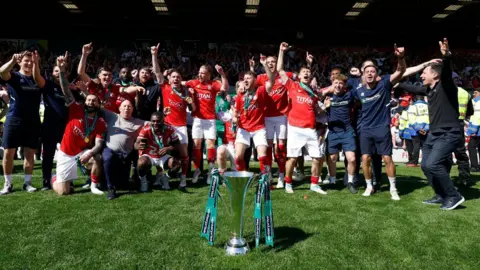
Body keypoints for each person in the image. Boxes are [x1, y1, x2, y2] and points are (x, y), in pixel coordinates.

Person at [396, 38, 465, 210]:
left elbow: (447, 72)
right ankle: (440, 194)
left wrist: (447, 56)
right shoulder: (428, 89)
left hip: (449, 133)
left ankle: (453, 196)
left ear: (435, 74)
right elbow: (405, 84)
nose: (421, 75)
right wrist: (395, 79)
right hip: (434, 134)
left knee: (433, 164)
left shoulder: (446, 85)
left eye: (424, 73)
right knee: (426, 165)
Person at [354, 44, 406, 200]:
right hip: (365, 129)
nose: (370, 73)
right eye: (367, 71)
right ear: (363, 75)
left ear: (376, 74)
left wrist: (400, 58)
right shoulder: (358, 91)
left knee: (387, 158)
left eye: (372, 71)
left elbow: (400, 71)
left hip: (382, 128)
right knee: (365, 159)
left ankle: (393, 188)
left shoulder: (383, 84)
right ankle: (369, 186)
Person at [278, 42, 328, 195]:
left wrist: (325, 106)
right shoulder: (292, 86)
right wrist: (281, 51)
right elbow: (279, 70)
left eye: (308, 72)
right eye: (303, 72)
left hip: (310, 129)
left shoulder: (312, 93)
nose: (306, 74)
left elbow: (317, 110)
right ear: (298, 76)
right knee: (292, 159)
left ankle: (314, 184)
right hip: (295, 128)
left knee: (317, 158)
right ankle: (287, 183)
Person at [53, 53, 106, 195]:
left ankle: (94, 186)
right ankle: (55, 178)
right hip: (66, 153)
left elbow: (99, 144)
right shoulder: (76, 109)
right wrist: (62, 71)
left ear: (98, 104)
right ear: (84, 101)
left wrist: (89, 153)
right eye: (88, 100)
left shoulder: (100, 122)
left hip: (81, 153)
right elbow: (66, 90)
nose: (90, 102)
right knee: (64, 191)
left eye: (94, 100)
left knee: (97, 157)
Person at [0, 51, 44, 194]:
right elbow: (2, 72)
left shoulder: (37, 79)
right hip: (14, 119)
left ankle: (27, 182)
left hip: (32, 121)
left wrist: (37, 64)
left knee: (30, 153)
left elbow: (42, 83)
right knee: (8, 153)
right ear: (20, 62)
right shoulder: (14, 77)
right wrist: (12, 60)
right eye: (26, 61)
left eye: (31, 61)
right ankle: (8, 183)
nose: (29, 63)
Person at [184, 65, 229, 184]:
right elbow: (181, 83)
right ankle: (197, 170)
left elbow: (225, 88)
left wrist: (222, 73)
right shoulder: (193, 83)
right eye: (199, 72)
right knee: (196, 145)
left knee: (210, 145)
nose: (200, 75)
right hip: (197, 119)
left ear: (209, 74)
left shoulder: (214, 84)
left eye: (203, 73)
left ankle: (210, 171)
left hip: (210, 120)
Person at [232, 56, 273, 175]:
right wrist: (235, 117)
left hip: (258, 128)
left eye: (249, 78)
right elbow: (236, 111)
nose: (245, 80)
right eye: (244, 78)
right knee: (238, 157)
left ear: (255, 80)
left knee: (262, 156)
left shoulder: (260, 91)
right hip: (243, 128)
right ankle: (245, 176)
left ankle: (265, 179)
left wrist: (264, 64)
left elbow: (271, 80)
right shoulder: (240, 95)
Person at [102, 99, 147, 200]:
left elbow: (154, 122)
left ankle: (135, 180)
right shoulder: (112, 116)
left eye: (129, 106)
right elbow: (96, 107)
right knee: (107, 157)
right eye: (124, 106)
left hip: (126, 155)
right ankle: (110, 188)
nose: (127, 108)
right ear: (119, 108)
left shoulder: (138, 122)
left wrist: (165, 116)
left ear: (132, 109)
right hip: (110, 151)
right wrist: (85, 91)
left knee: (123, 183)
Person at [323, 74, 357, 193]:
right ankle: (332, 181)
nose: (338, 85)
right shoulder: (327, 96)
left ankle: (350, 181)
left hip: (347, 131)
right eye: (336, 83)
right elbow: (318, 108)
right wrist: (325, 106)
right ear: (332, 84)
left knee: (351, 159)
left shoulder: (349, 95)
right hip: (333, 132)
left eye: (341, 83)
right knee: (332, 158)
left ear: (344, 85)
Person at [162, 69, 195, 188]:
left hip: (181, 126)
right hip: (167, 126)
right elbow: (157, 73)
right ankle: (161, 176)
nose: (176, 79)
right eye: (173, 77)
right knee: (161, 151)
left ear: (181, 79)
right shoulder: (165, 88)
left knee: (184, 154)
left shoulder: (186, 92)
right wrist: (154, 55)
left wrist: (190, 102)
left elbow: (192, 109)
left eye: (178, 77)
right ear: (169, 79)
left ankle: (183, 178)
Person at [40, 62, 70, 190]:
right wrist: (36, 62)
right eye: (56, 70)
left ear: (66, 73)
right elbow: (37, 77)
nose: (58, 73)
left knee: (67, 155)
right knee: (48, 155)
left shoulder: (70, 87)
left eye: (61, 70)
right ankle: (46, 180)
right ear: (52, 73)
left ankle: (67, 179)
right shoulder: (48, 85)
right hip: (50, 126)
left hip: (66, 126)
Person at [135, 112, 181, 192]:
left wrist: (169, 148)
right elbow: (136, 143)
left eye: (158, 121)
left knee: (176, 165)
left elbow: (177, 144)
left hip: (162, 156)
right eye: (153, 121)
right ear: (150, 121)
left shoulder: (169, 129)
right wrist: (138, 146)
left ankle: (164, 177)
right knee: (141, 162)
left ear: (163, 121)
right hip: (149, 156)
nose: (155, 123)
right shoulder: (146, 129)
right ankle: (143, 181)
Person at [467, 89, 480, 172]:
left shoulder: (476, 102)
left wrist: (473, 131)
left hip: (477, 129)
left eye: (476, 92)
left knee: (471, 146)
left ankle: (474, 166)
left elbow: (477, 117)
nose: (473, 94)